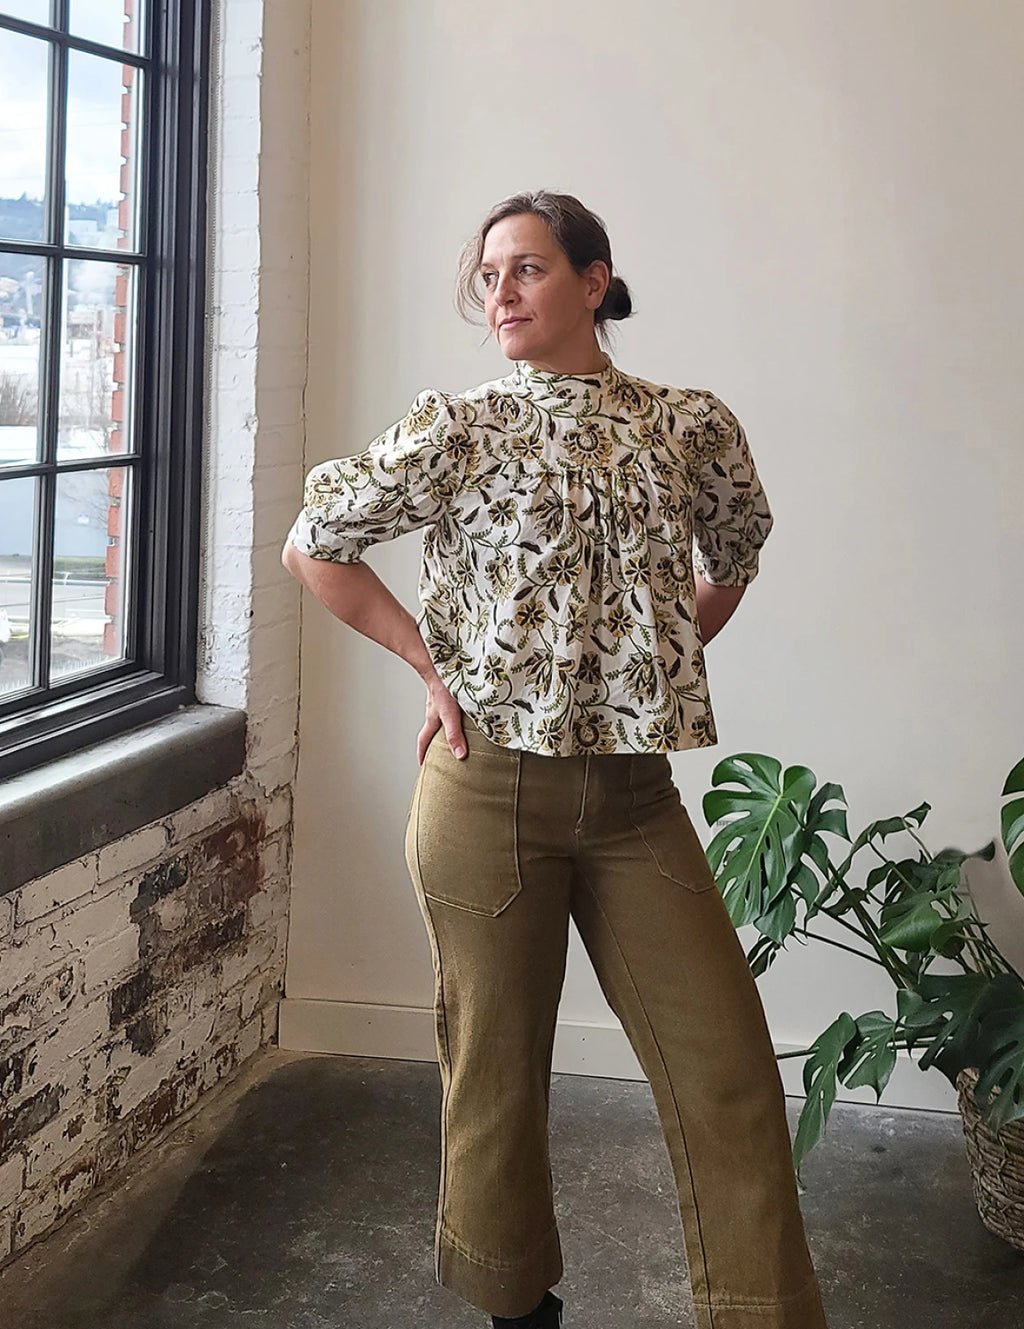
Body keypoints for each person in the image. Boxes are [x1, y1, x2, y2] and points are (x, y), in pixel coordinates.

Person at [282, 190, 828, 1329]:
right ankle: (516, 1309)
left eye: (526, 268)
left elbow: (735, 552)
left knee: (729, 1071)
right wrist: (432, 668)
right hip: (486, 794)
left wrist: (655, 657)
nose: (501, 293)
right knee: (494, 1076)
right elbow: (314, 545)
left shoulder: (687, 425)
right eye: (488, 276)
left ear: (594, 281)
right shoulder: (460, 428)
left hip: (635, 800)